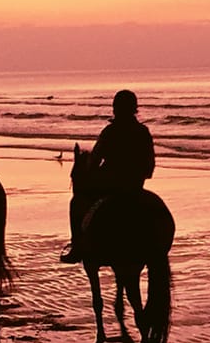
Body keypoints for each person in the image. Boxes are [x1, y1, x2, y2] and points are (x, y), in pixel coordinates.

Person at [62, 89, 156, 261]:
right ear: (135, 109)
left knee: (76, 203)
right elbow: (150, 168)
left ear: (115, 109)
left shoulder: (110, 132)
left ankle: (77, 247)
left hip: (112, 185)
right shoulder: (143, 132)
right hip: (136, 185)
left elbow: (93, 162)